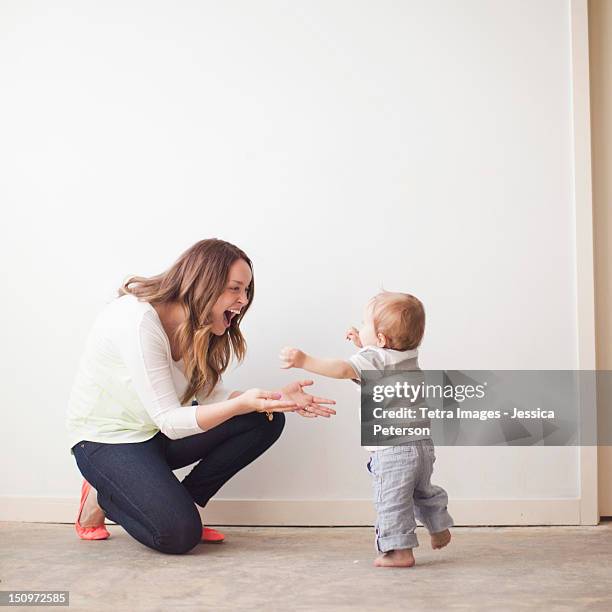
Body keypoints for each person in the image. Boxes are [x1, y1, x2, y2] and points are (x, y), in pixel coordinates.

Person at [67, 238, 336, 555]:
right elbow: (170, 421)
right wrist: (241, 403)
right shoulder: (137, 321)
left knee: (264, 418)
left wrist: (276, 398)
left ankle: (185, 502)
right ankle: (107, 493)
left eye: (246, 290)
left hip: (152, 435)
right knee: (178, 537)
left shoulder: (197, 326)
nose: (243, 299)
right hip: (106, 442)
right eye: (235, 288)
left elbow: (211, 396)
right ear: (203, 281)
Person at [279, 291, 453, 567]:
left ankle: (399, 552)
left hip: (392, 449)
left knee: (392, 500)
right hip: (422, 444)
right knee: (421, 490)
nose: (360, 326)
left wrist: (305, 361)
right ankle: (439, 525)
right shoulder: (408, 355)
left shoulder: (374, 359)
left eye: (364, 323)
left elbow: (343, 368)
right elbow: (379, 362)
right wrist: (364, 343)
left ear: (381, 340)